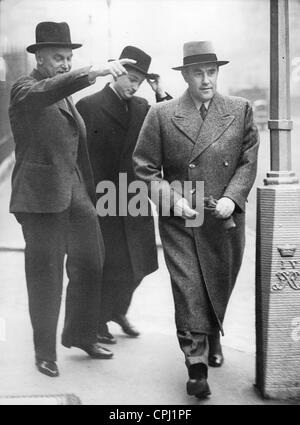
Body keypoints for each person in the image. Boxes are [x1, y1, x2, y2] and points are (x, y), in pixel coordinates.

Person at [9, 21, 136, 377]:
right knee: (45, 278)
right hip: (40, 199)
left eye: (69, 58)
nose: (65, 64)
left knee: (92, 264)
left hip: (76, 194)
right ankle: (44, 352)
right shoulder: (25, 89)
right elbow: (45, 91)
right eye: (59, 58)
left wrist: (87, 191)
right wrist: (90, 71)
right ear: (40, 58)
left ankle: (80, 333)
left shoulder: (61, 93)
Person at [133, 41, 259, 398]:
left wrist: (232, 199)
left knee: (218, 285)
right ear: (185, 76)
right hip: (181, 218)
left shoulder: (240, 109)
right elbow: (143, 168)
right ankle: (196, 365)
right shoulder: (161, 114)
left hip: (223, 219)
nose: (206, 80)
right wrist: (173, 201)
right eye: (198, 73)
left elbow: (247, 161)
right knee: (188, 290)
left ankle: (213, 333)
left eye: (212, 72)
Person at [76, 46, 171, 344]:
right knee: (111, 266)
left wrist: (159, 92)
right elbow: (79, 157)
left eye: (139, 81)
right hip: (102, 198)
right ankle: (100, 321)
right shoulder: (89, 106)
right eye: (130, 78)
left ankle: (117, 310)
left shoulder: (144, 106)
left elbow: (171, 128)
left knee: (139, 266)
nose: (134, 85)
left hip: (134, 198)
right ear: (116, 72)